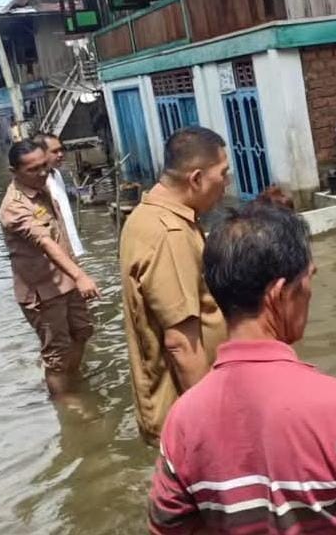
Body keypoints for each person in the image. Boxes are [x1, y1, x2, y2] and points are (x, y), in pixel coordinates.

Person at [148, 204, 336, 534]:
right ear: (280, 294)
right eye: (309, 278)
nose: (310, 291)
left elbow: (165, 529)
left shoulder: (181, 422)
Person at [119, 127, 231, 443]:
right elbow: (182, 344)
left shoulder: (146, 215)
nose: (226, 184)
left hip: (171, 404)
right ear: (195, 179)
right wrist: (212, 429)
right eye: (222, 174)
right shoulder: (170, 234)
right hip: (186, 413)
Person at [0, 140, 100, 396]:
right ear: (14, 172)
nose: (43, 173)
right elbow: (45, 243)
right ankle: (65, 405)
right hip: (43, 292)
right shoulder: (14, 206)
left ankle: (72, 382)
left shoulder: (44, 188)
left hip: (66, 281)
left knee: (82, 332)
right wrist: (80, 276)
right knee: (56, 354)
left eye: (45, 166)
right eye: (33, 170)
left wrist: (75, 274)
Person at [35, 133, 86, 257]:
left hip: (72, 246)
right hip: (58, 252)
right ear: (41, 154)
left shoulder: (56, 174)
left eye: (61, 150)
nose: (60, 154)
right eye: (54, 151)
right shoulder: (40, 183)